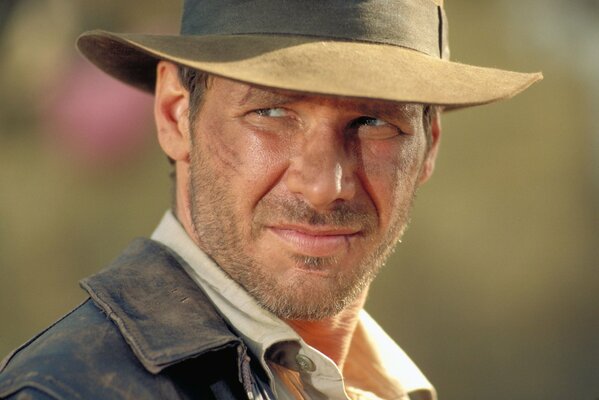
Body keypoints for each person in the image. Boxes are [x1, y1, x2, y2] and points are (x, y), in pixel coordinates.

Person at [0, 0, 542, 399]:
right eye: (272, 113)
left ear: (429, 145)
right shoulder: (65, 390)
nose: (326, 184)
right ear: (175, 115)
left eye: (374, 121)